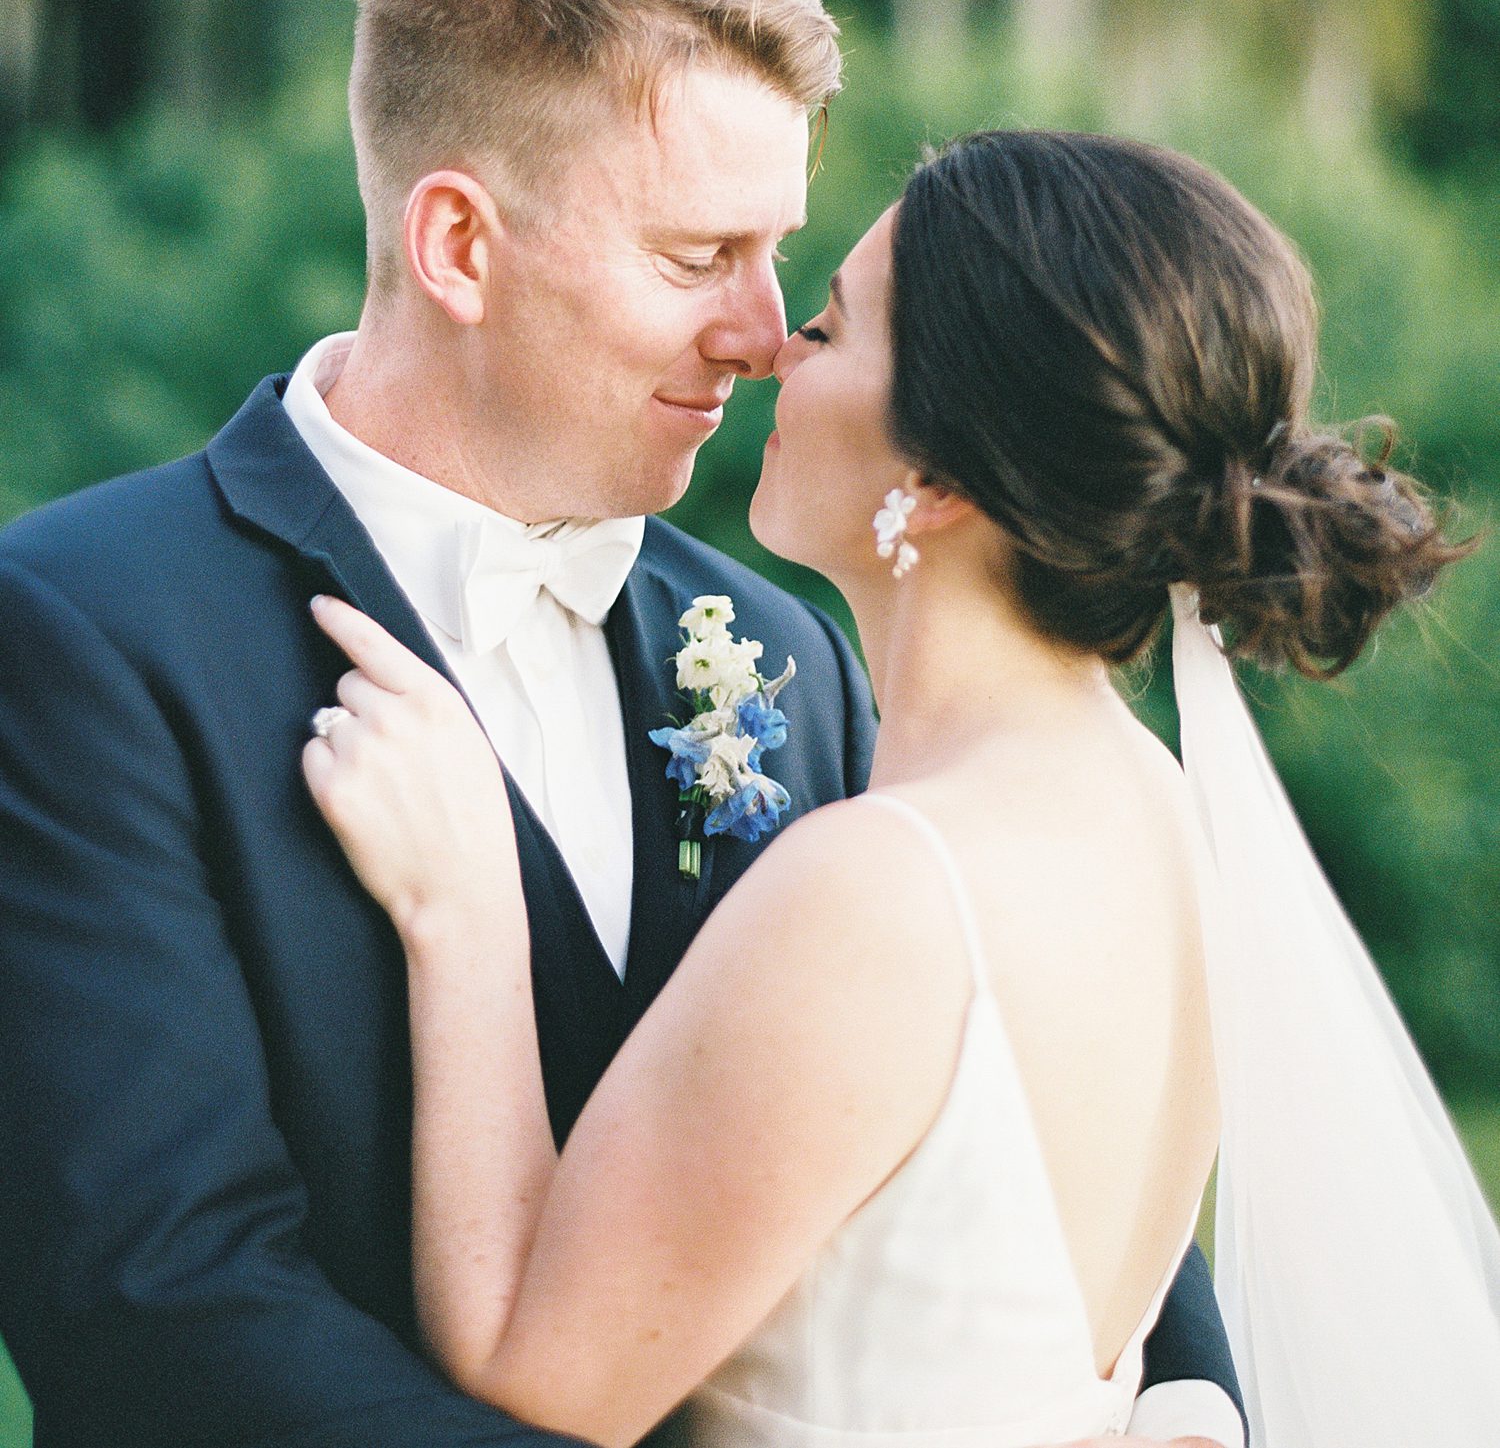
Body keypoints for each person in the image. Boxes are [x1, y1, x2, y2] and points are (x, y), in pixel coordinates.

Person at [0, 0, 1240, 1448]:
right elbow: (167, 1313)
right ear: (458, 244)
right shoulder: (86, 637)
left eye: (785, 254)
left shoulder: (791, 646)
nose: (763, 329)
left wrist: (1187, 1404)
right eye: (693, 257)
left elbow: (1007, 1124)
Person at [300, 129, 1500, 1448]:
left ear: (932, 480)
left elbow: (533, 1380)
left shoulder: (884, 888)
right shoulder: (1155, 812)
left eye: (824, 329)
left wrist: (463, 913)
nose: (766, 349)